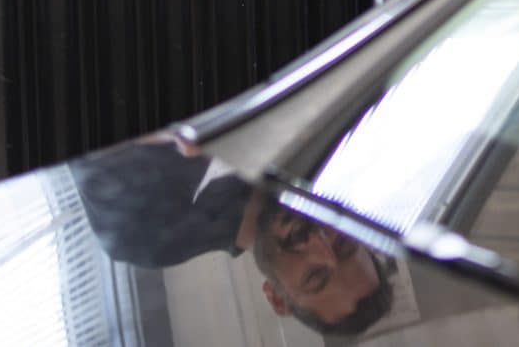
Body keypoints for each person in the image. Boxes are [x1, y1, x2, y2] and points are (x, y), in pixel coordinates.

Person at [69, 138, 397, 338]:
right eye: (343, 246)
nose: (319, 243)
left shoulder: (145, 236)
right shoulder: (313, 139)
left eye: (316, 275)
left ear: (276, 298)